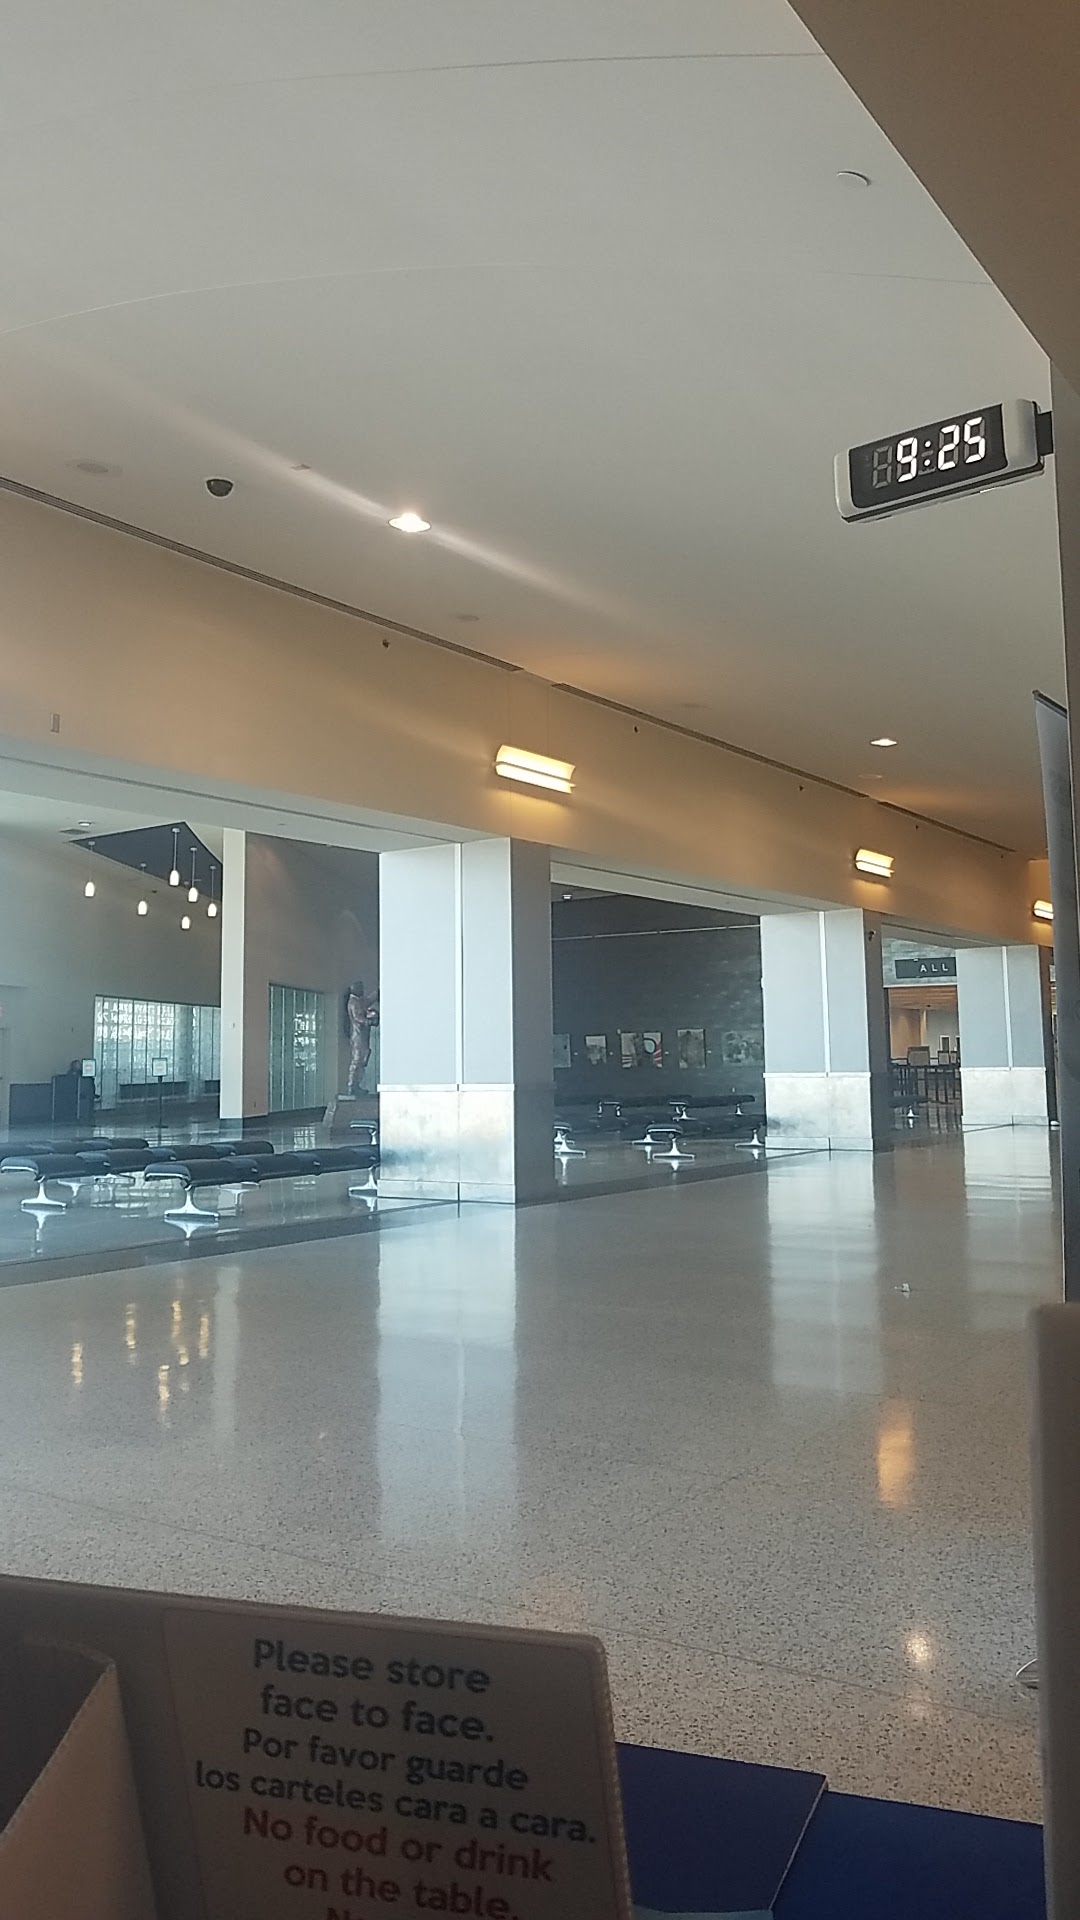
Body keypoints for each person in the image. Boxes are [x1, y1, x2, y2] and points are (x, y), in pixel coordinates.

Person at [345, 981, 379, 1096]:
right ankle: (352, 1086)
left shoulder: (359, 1001)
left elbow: (367, 1001)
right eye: (361, 988)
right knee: (358, 1060)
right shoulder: (354, 1002)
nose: (363, 990)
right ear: (355, 989)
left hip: (362, 1035)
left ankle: (357, 1084)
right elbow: (358, 1018)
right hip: (358, 1035)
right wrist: (369, 1021)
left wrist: (376, 994)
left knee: (363, 1059)